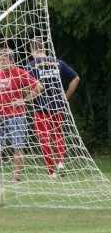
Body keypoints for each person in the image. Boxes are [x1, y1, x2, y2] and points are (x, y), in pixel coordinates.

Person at [26, 37, 80, 177]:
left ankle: (51, 171)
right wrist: (66, 96)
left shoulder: (31, 65)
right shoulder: (58, 62)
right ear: (44, 48)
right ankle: (60, 162)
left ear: (32, 50)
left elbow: (35, 87)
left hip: (41, 107)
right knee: (58, 135)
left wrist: (26, 98)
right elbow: (76, 78)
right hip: (58, 105)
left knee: (44, 138)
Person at [0, 48, 44, 183]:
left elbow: (39, 86)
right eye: (0, 60)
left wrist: (24, 100)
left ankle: (16, 177)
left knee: (18, 145)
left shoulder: (19, 73)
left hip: (16, 115)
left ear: (11, 60)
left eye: (4, 59)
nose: (1, 62)